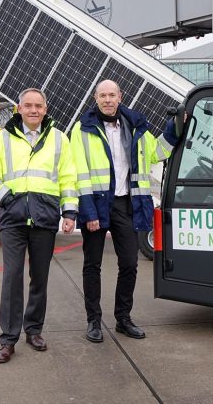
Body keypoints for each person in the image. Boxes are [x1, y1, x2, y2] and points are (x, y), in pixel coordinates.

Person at [70, 79, 182, 343]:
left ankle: (123, 318)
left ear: (120, 96)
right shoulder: (82, 129)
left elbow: (156, 153)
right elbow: (79, 172)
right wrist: (89, 212)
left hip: (127, 204)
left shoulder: (135, 125)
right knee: (92, 265)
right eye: (102, 95)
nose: (108, 100)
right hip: (96, 203)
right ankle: (93, 321)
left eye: (112, 95)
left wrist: (174, 129)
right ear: (95, 98)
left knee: (130, 265)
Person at [0, 88, 78, 363]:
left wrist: (69, 212)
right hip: (13, 218)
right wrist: (7, 200)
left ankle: (33, 329)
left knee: (40, 277)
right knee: (12, 277)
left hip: (45, 217)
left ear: (45, 109)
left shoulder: (59, 139)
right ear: (19, 109)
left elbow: (68, 178)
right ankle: (8, 339)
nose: (34, 110)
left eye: (39, 106)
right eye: (28, 106)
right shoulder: (2, 139)